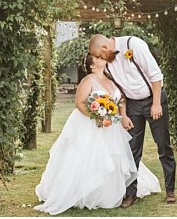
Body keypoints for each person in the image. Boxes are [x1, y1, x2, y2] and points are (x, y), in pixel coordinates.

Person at [34, 53, 160, 216]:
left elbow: (121, 98)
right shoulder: (88, 80)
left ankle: (113, 190)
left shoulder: (111, 79)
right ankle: (85, 192)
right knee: (89, 157)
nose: (103, 59)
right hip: (90, 125)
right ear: (92, 65)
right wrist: (98, 116)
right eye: (98, 58)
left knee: (114, 157)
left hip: (112, 126)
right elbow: (79, 103)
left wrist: (123, 115)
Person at [89, 34, 177, 208]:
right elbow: (118, 90)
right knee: (132, 150)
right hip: (132, 106)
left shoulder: (133, 44)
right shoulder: (107, 66)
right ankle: (130, 194)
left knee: (163, 146)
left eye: (99, 55)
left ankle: (170, 191)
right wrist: (124, 115)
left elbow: (156, 75)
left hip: (153, 99)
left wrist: (157, 103)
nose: (99, 60)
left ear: (105, 48)